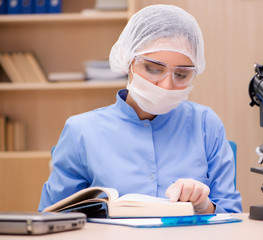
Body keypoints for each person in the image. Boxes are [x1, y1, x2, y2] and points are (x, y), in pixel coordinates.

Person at [38, 4, 242, 214]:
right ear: (128, 61)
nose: (166, 85)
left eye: (181, 74)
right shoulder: (81, 131)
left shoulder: (206, 124)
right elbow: (52, 216)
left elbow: (233, 214)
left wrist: (204, 206)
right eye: (153, 69)